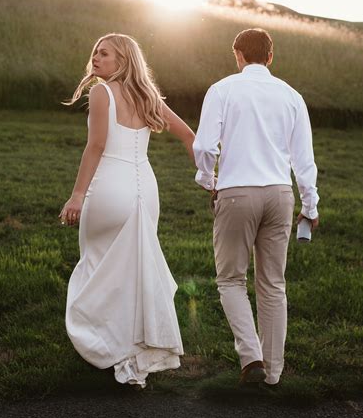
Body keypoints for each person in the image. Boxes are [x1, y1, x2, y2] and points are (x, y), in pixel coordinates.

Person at [60, 33, 195, 388]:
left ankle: (104, 345)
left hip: (110, 187)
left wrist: (76, 195)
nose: (96, 59)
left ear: (123, 59)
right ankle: (135, 354)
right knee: (135, 273)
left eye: (104, 53)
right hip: (145, 189)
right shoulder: (148, 95)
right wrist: (209, 177)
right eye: (94, 53)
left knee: (96, 264)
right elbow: (189, 137)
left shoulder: (102, 92)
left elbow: (97, 146)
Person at [193, 28, 319, 386]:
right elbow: (304, 160)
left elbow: (204, 147)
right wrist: (310, 204)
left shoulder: (222, 90)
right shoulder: (292, 96)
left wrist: (209, 180)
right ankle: (274, 374)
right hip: (280, 194)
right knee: (273, 284)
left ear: (238, 54)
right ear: (270, 56)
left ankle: (251, 358)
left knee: (231, 279)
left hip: (236, 193)